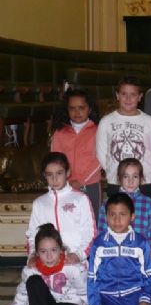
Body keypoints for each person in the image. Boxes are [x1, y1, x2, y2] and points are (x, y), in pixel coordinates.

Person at [88, 193, 151, 305]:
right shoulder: (99, 244)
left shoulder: (140, 243)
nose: (117, 220)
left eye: (122, 215)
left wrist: (144, 300)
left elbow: (149, 275)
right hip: (108, 298)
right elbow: (92, 278)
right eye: (112, 215)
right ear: (106, 217)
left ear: (132, 216)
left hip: (134, 296)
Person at [2, 224, 88, 305]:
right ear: (36, 253)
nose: (49, 256)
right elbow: (22, 294)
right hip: (47, 303)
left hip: (70, 304)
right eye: (43, 251)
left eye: (53, 250)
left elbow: (84, 291)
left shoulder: (73, 268)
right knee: (33, 280)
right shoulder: (31, 270)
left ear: (61, 250)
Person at [27, 152, 95, 266]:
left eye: (59, 173)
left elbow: (90, 233)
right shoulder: (39, 203)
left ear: (68, 173)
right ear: (44, 175)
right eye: (49, 174)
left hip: (74, 263)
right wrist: (33, 255)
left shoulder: (81, 199)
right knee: (29, 277)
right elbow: (32, 234)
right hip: (46, 263)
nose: (54, 179)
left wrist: (78, 255)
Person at [96, 75, 151, 200]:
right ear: (117, 95)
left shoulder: (149, 122)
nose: (128, 98)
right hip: (116, 181)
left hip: (144, 181)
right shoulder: (106, 121)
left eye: (133, 94)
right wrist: (113, 171)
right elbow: (101, 153)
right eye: (124, 94)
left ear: (140, 97)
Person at [51, 88, 102, 216]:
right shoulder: (60, 132)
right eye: (72, 108)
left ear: (89, 109)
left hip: (90, 185)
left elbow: (100, 160)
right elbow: (55, 160)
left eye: (81, 108)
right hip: (65, 185)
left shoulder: (98, 131)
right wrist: (63, 181)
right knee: (66, 219)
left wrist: (80, 181)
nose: (76, 112)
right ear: (67, 110)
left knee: (91, 219)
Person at [97, 158, 151, 241]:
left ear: (141, 179)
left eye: (135, 176)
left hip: (141, 248)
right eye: (125, 177)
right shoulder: (108, 203)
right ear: (119, 179)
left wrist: (147, 248)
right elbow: (102, 232)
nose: (130, 181)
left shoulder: (149, 204)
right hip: (113, 247)